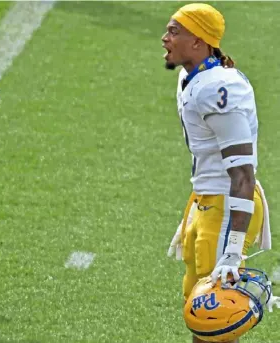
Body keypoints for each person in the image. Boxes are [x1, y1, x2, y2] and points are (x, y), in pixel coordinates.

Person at [162, 3, 271, 342]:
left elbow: (243, 174)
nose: (165, 38)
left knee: (214, 319)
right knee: (197, 310)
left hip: (227, 205)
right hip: (205, 201)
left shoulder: (218, 90)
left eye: (174, 32)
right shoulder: (190, 75)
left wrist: (234, 250)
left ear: (199, 42)